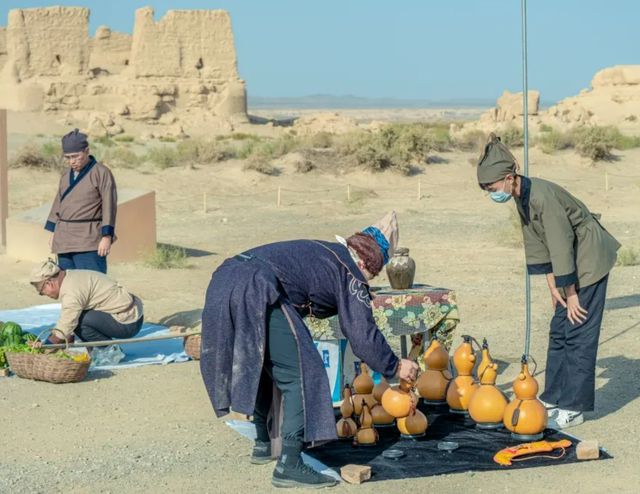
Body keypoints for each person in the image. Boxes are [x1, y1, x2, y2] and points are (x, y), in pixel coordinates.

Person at [200, 212, 419, 489]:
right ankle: (290, 465)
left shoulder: (327, 253)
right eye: (373, 274)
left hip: (224, 280)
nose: (369, 279)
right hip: (257, 287)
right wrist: (395, 367)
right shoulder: (350, 272)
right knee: (303, 373)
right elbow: (362, 334)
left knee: (263, 360)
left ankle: (264, 442)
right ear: (366, 262)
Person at [476, 134, 620, 429]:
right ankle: (554, 396)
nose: (491, 194)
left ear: (507, 178)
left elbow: (560, 243)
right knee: (558, 330)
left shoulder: (542, 196)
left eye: (491, 188)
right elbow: (536, 243)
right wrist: (553, 287)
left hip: (588, 258)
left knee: (578, 330)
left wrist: (572, 294)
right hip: (569, 263)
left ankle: (574, 407)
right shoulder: (521, 197)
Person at [44, 129, 117, 274]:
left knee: (93, 284)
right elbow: (58, 203)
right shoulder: (65, 175)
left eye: (76, 156)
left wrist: (106, 236)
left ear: (86, 151)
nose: (72, 161)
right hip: (64, 239)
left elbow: (110, 205)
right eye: (68, 157)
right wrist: (53, 233)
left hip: (88, 239)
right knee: (68, 286)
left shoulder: (101, 173)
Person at [29, 259, 143, 347]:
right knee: (77, 318)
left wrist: (46, 346)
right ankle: (97, 347)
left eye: (41, 292)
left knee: (79, 322)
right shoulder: (70, 276)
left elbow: (66, 325)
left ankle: (107, 350)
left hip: (128, 322)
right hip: (131, 313)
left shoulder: (71, 292)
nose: (44, 295)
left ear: (49, 283)